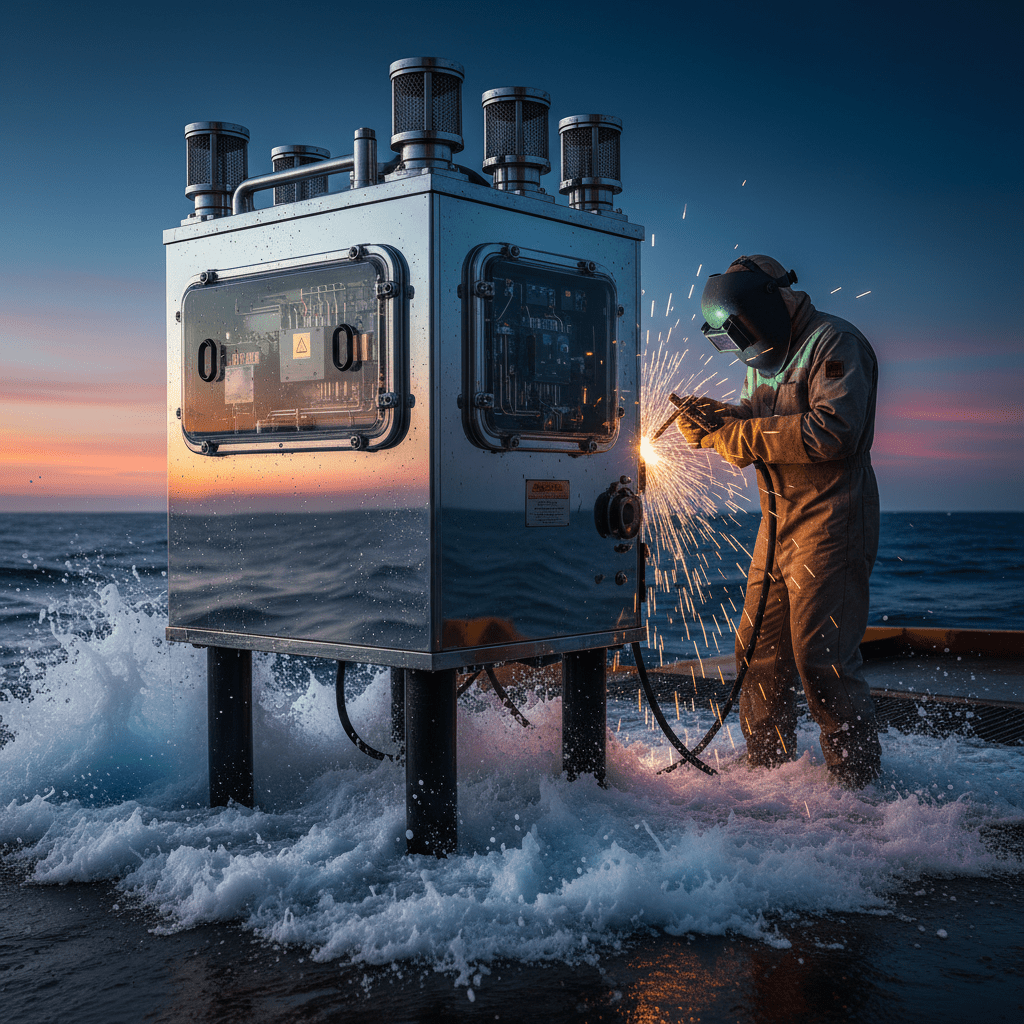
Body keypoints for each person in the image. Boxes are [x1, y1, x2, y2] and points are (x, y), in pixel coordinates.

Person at [678, 254, 882, 788]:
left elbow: (833, 431)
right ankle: (769, 776)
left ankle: (856, 788)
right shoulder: (761, 356)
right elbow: (759, 419)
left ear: (770, 304)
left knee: (822, 658)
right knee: (758, 652)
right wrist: (718, 418)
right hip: (776, 525)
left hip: (831, 522)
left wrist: (737, 435)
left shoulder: (835, 343)